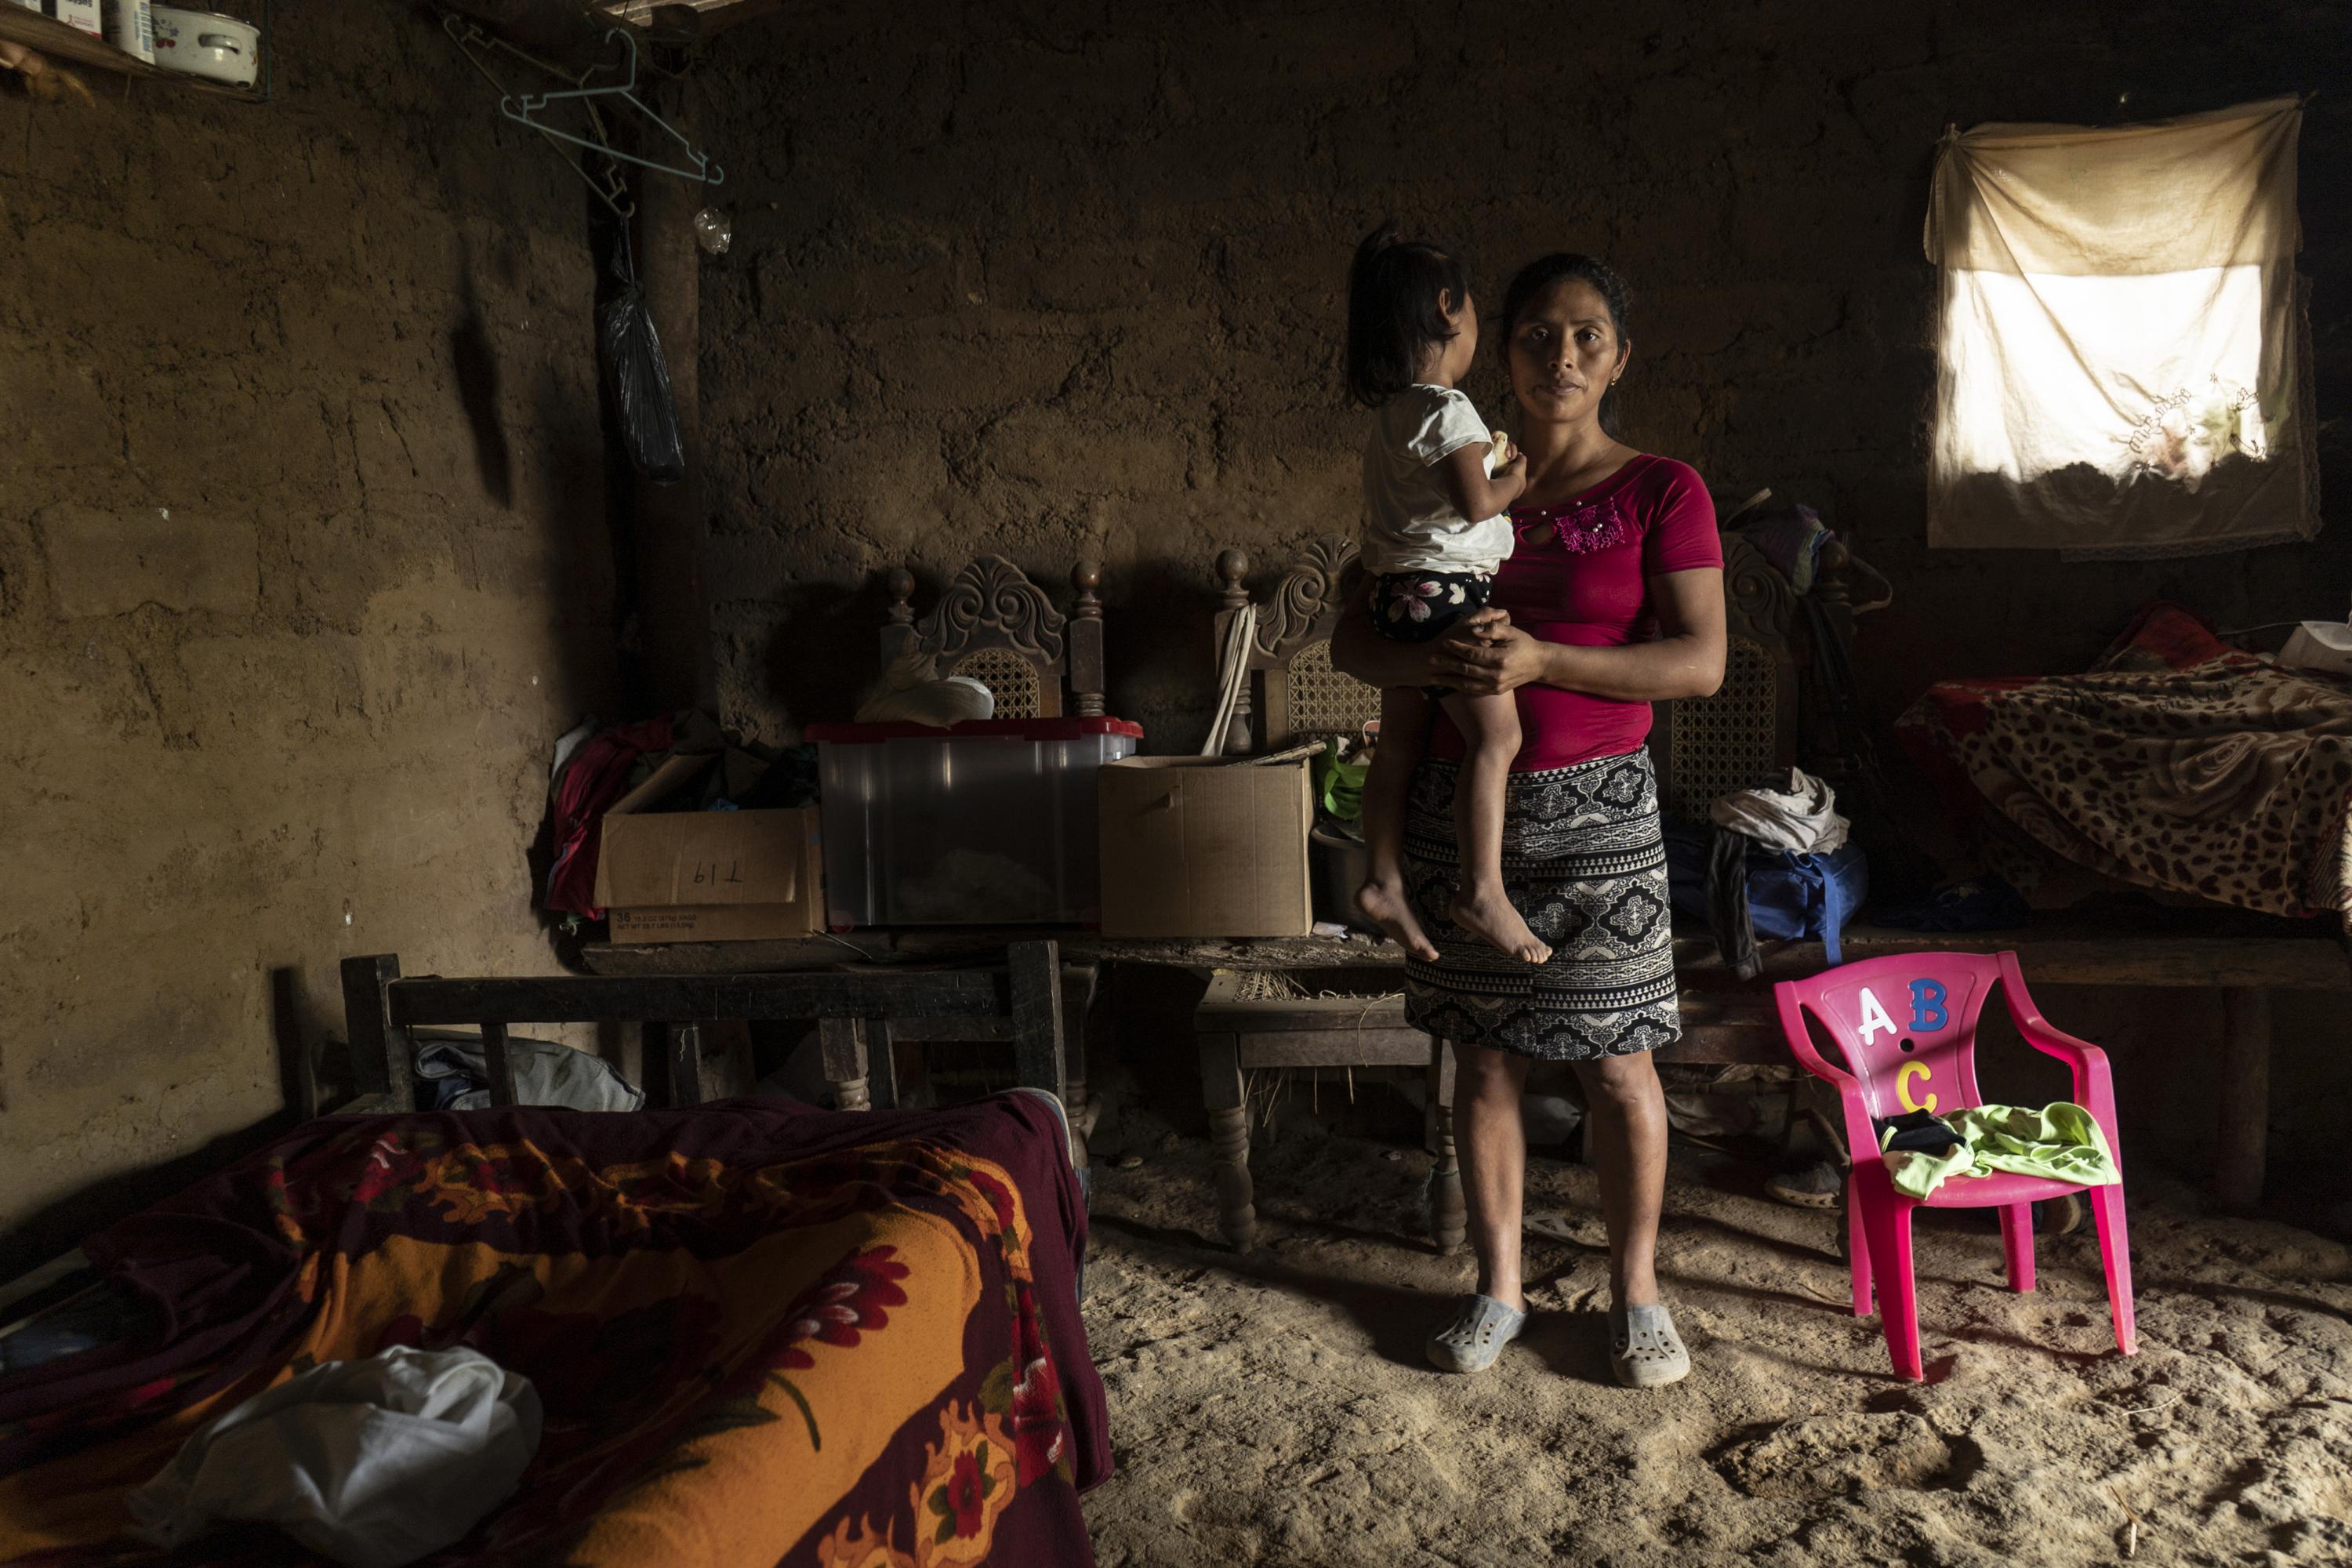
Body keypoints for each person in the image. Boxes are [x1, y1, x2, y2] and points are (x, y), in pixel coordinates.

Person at [1331, 252, 1727, 1388]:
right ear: (1496, 350)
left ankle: (1637, 1292)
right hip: (1472, 819)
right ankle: (1498, 1287)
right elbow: (1353, 639)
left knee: (1618, 1069)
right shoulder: (1445, 475)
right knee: (1488, 1067)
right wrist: (1426, 648)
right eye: (1539, 335)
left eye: (1588, 336)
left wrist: (1548, 655)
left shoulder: (1661, 489)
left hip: (1603, 814)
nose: (1562, 356)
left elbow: (1700, 665)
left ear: (1619, 357)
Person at [1344, 224, 1551, 969]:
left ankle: (1382, 880)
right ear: (1446, 308)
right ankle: (1483, 890)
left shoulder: (1392, 416)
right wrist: (1516, 479)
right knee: (1497, 738)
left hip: (1399, 598)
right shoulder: (1450, 408)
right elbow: (1474, 504)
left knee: (1399, 743)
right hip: (1446, 596)